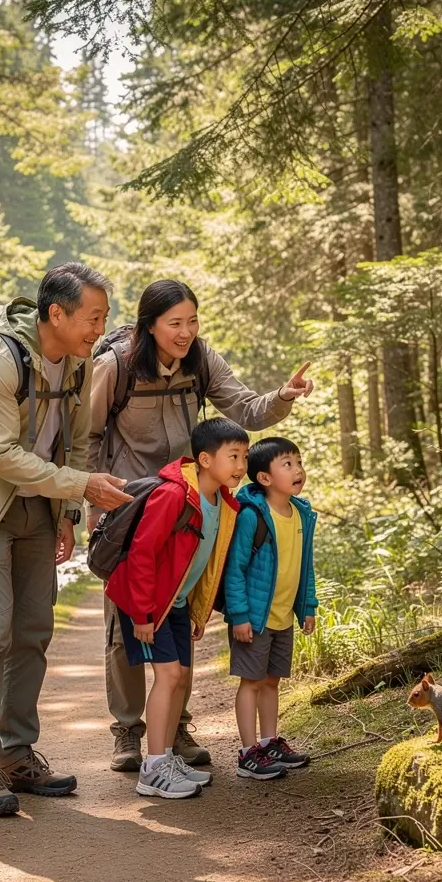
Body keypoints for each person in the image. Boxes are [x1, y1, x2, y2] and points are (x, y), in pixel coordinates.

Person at [87, 279, 315, 773]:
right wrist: (87, 501)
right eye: (175, 323)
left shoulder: (201, 360)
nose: (186, 332)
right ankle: (128, 731)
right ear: (150, 325)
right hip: (129, 506)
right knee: (127, 621)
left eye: (192, 321)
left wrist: (283, 395)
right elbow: (84, 438)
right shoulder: (116, 367)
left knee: (183, 611)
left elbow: (247, 410)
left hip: (193, 504)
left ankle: (175, 727)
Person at [0, 262, 133, 818]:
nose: (101, 327)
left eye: (104, 316)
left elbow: (77, 440)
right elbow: (0, 457)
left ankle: (17, 754)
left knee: (33, 630)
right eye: (93, 317)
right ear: (55, 314)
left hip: (40, 506)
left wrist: (69, 509)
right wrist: (82, 486)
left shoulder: (80, 360)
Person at [105, 417, 249, 798]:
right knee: (168, 677)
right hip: (149, 603)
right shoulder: (173, 495)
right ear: (204, 459)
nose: (240, 466)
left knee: (182, 679)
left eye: (244, 457)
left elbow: (204, 561)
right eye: (232, 456)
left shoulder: (223, 501)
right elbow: (141, 554)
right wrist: (142, 614)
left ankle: (165, 755)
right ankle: (152, 770)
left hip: (177, 602)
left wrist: (197, 610)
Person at [222, 437, 318, 780]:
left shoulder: (301, 514)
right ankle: (248, 752)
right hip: (256, 617)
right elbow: (235, 569)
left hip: (282, 616)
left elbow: (305, 565)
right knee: (251, 681)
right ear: (264, 478)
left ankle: (269, 742)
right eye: (287, 464)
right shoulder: (252, 516)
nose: (298, 470)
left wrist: (308, 605)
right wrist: (240, 615)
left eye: (298, 462)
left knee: (272, 680)